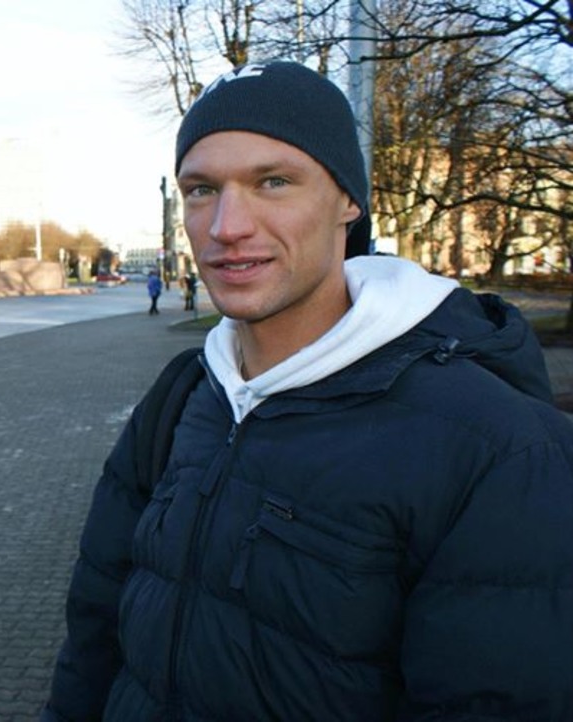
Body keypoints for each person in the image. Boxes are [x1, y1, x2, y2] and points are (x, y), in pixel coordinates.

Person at [41, 61, 573, 721]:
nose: (227, 225)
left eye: (273, 181)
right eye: (202, 189)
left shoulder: (500, 450)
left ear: (348, 200)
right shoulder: (181, 398)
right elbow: (93, 640)